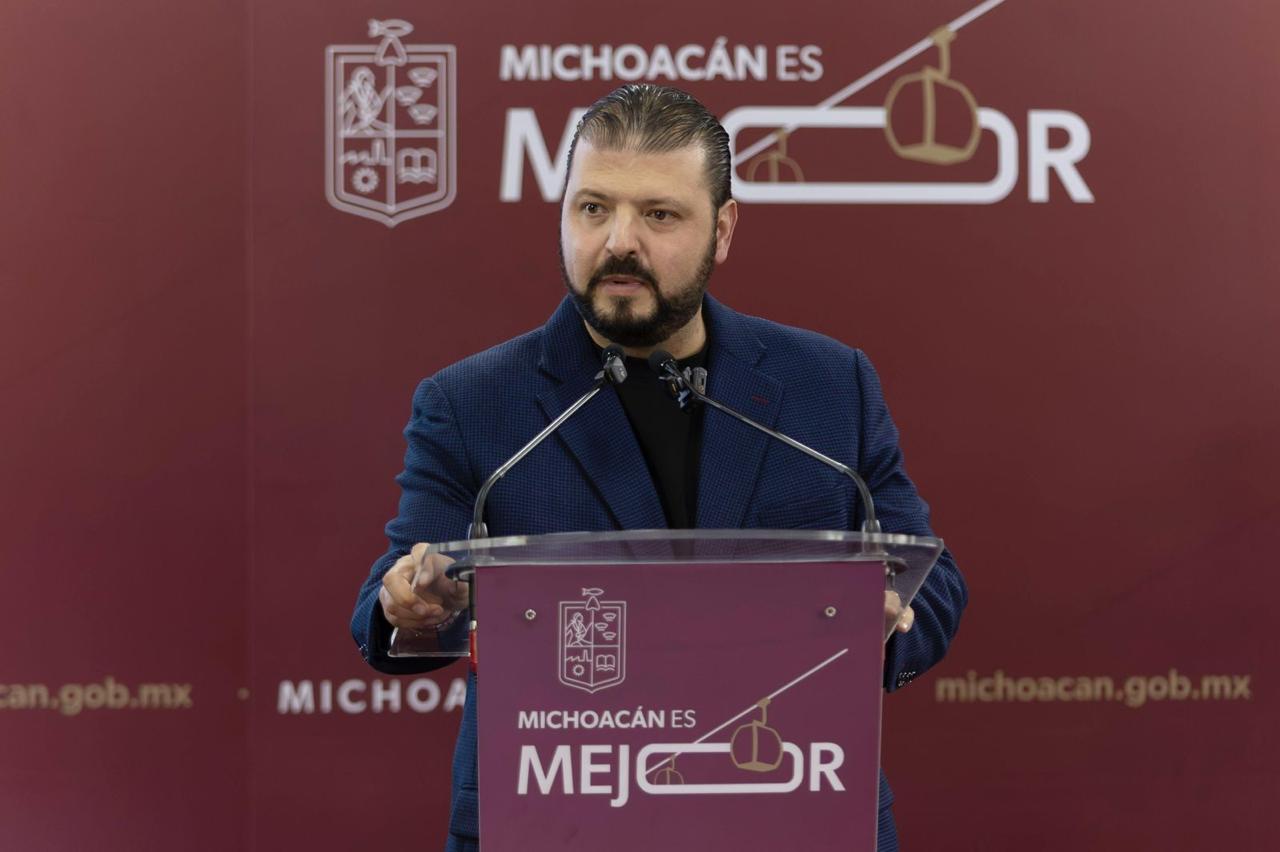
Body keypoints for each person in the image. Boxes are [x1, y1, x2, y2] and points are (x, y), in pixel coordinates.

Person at [352, 83, 967, 852]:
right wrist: (411, 602)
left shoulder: (828, 384)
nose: (619, 241)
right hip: (560, 823)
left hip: (788, 806)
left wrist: (885, 618)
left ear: (723, 229)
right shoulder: (472, 404)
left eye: (659, 215)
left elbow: (932, 583)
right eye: (593, 208)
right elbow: (397, 597)